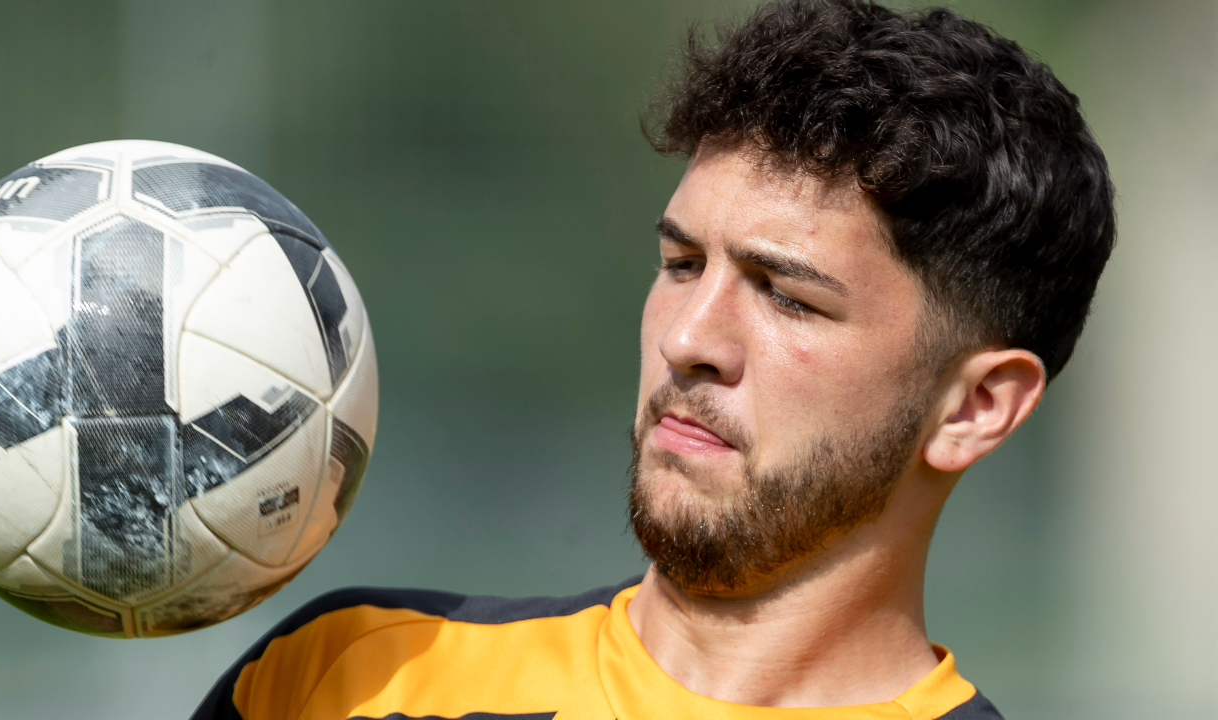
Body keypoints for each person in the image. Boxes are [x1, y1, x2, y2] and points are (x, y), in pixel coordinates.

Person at [193, 1, 1114, 718]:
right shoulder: (351, 678)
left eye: (788, 296)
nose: (687, 340)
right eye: (681, 263)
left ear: (976, 407)